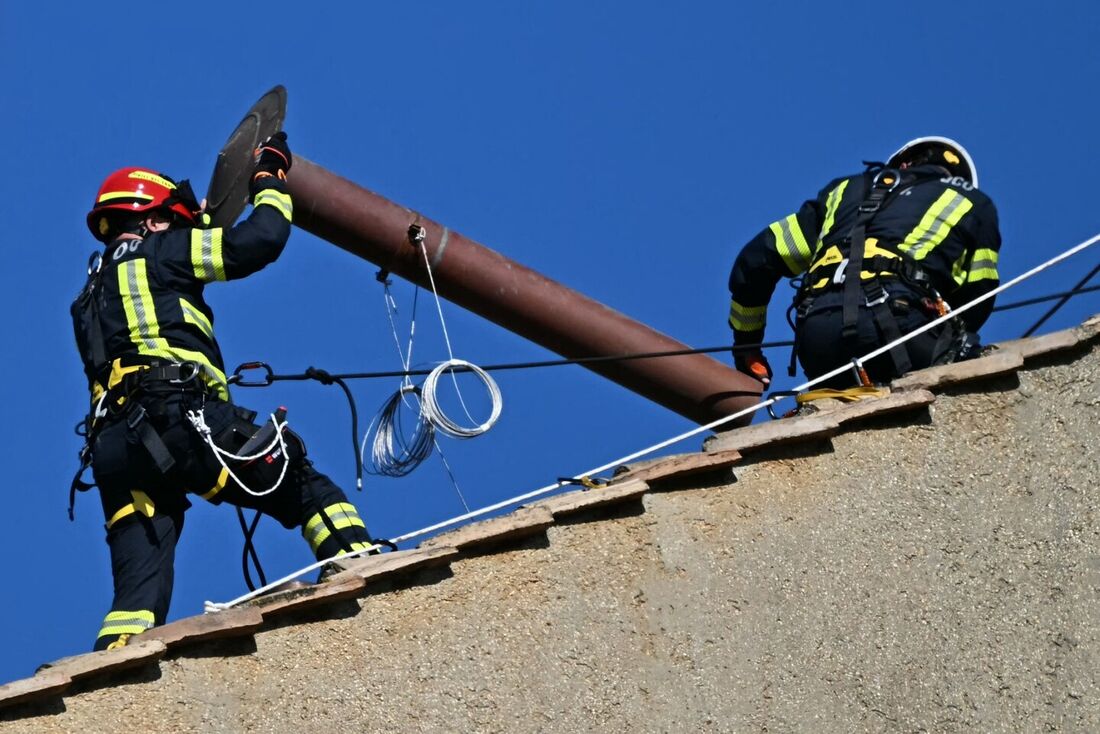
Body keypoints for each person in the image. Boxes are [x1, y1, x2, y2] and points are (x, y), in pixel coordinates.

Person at [72, 133, 375, 651]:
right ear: (153, 218)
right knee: (300, 479)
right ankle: (367, 570)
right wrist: (269, 179)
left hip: (117, 451)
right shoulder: (161, 252)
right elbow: (259, 240)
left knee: (135, 597)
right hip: (177, 415)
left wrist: (201, 222)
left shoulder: (87, 297)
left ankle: (110, 680)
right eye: (177, 218)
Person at [727, 136, 1002, 389]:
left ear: (901, 164)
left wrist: (746, 345)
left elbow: (756, 260)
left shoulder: (844, 190)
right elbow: (979, 293)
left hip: (817, 334)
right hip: (901, 328)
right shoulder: (973, 202)